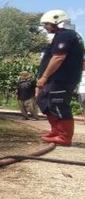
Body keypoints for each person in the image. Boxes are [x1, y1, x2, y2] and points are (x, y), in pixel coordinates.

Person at [36, 10, 84, 146]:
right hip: (56, 78)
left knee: (59, 104)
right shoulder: (61, 36)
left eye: (47, 24)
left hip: (62, 78)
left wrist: (44, 77)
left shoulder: (66, 35)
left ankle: (65, 136)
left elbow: (58, 57)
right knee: (43, 100)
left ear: (56, 21)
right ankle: (56, 131)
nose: (45, 27)